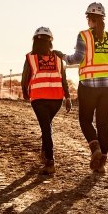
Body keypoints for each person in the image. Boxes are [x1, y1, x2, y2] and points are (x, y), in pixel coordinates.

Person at [55, 2, 108, 173]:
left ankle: (95, 150)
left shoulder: (84, 35)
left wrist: (63, 56)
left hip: (89, 85)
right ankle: (101, 164)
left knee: (85, 120)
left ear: (88, 19)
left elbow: (77, 58)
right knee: (103, 124)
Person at [21, 27, 72, 175]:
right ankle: (45, 152)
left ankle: (50, 161)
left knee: (46, 128)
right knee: (46, 125)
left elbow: (25, 77)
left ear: (35, 41)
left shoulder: (31, 57)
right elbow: (63, 79)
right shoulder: (57, 58)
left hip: (39, 99)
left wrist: (25, 92)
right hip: (57, 99)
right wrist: (67, 97)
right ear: (50, 42)